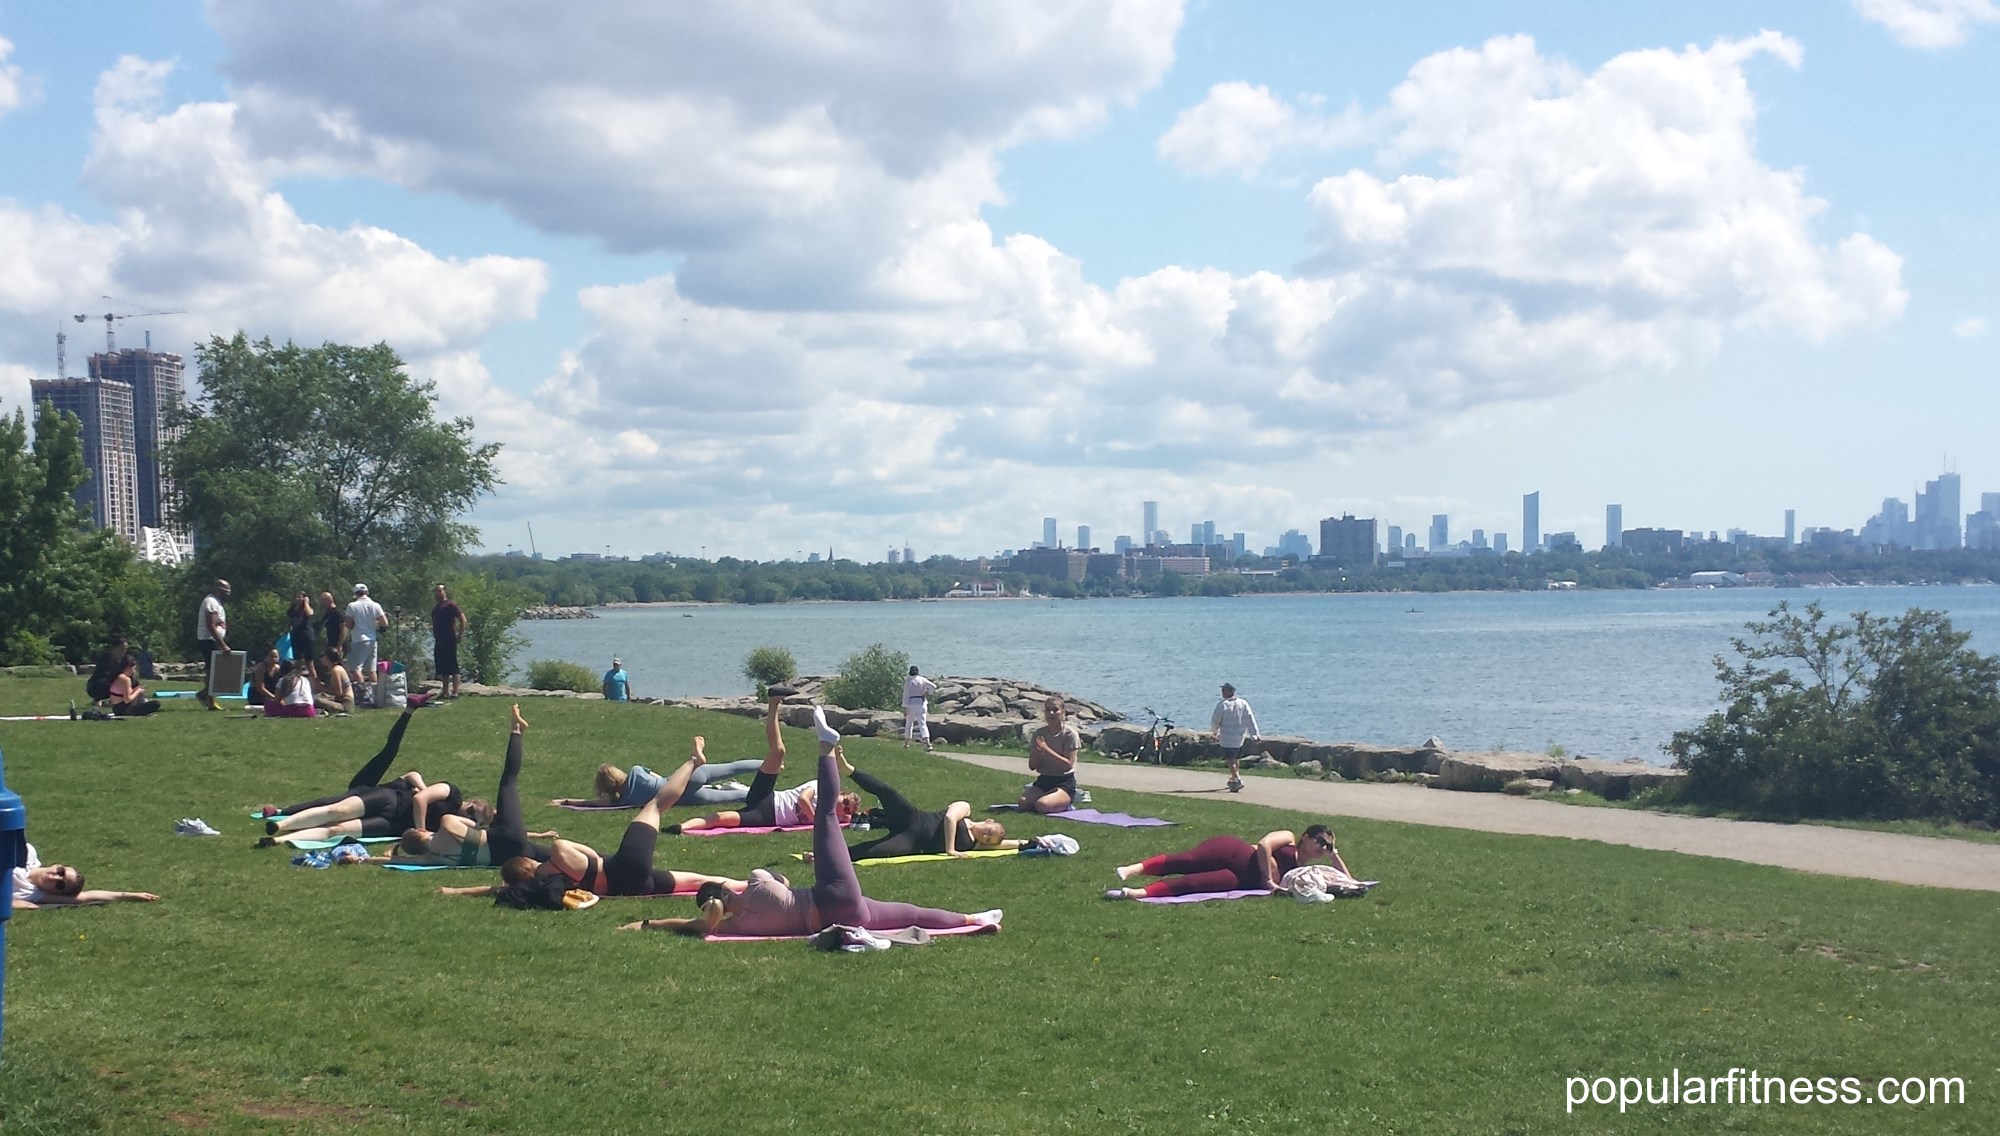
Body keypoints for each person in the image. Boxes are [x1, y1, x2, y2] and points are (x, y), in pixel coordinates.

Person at [619, 707, 1000, 937]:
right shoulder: (754, 885)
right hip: (833, 895)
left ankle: (974, 918)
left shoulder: (733, 926)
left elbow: (688, 926)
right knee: (827, 817)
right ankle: (825, 748)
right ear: (722, 891)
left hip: (847, 914)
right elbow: (779, 880)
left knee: (911, 912)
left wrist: (649, 924)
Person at [448, 748, 741, 900]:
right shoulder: (559, 852)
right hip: (622, 865)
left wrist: (457, 891)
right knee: (656, 805)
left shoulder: (542, 886)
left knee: (696, 881)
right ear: (525, 863)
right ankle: (692, 762)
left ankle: (742, 887)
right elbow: (592, 855)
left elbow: (496, 890)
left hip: (629, 887)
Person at [257, 711, 478, 846]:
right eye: (471, 810)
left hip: (392, 824)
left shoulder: (453, 824)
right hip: (387, 798)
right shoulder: (453, 795)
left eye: (472, 817)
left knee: (337, 830)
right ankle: (282, 822)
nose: (466, 814)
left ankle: (278, 840)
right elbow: (420, 796)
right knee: (336, 809)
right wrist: (422, 828)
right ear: (470, 802)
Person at [672, 691, 858, 833]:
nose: (844, 806)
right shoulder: (821, 788)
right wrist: (817, 821)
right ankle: (774, 702)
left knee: (721, 818)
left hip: (766, 818)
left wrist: (845, 818)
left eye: (847, 808)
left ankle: (681, 827)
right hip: (769, 799)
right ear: (842, 793)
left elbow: (853, 821)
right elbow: (803, 799)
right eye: (846, 801)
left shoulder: (832, 816)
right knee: (778, 752)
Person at [397, 705, 559, 867]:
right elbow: (480, 830)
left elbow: (399, 860)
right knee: (508, 781)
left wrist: (379, 857)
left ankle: (583, 868)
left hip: (509, 856)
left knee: (554, 858)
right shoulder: (447, 822)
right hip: (505, 837)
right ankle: (516, 729)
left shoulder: (433, 859)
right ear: (420, 831)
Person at [834, 750, 1021, 861]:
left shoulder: (975, 846)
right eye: (989, 831)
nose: (985, 836)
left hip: (914, 842)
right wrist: (950, 850)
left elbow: (1005, 845)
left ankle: (823, 856)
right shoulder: (965, 808)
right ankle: (848, 769)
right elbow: (949, 818)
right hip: (914, 818)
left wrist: (1028, 843)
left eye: (988, 839)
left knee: (871, 851)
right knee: (887, 791)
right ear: (989, 820)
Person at [1103, 826, 1350, 899]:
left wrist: (1335, 854)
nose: (1323, 848)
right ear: (1306, 837)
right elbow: (1264, 844)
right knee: (1188, 861)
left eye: (1327, 845)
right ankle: (1135, 869)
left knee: (1194, 883)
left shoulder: (1309, 870)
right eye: (1320, 842)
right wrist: (1268, 879)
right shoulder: (1287, 838)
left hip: (1242, 880)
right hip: (1236, 853)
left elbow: (1345, 880)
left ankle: (1137, 893)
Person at [549, 746, 766, 810]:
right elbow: (656, 775)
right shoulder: (636, 771)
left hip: (681, 798)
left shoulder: (623, 800)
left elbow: (593, 804)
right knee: (732, 767)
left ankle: (771, 795)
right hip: (687, 777)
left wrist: (566, 801)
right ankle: (771, 764)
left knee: (736, 798)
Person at [11, 844, 159, 909]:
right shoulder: (28, 853)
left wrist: (129, 895)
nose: (54, 877)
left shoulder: (34, 895)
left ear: (54, 893)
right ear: (57, 865)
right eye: (60, 872)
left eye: (60, 885)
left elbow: (86, 897)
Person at [1017, 696, 1082, 814]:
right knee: (1023, 803)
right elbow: (1032, 766)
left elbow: (1067, 765)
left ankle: (1064, 802)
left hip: (1064, 782)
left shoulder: (1070, 735)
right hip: (1045, 779)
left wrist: (1047, 750)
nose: (1051, 713)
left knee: (1042, 805)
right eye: (1048, 710)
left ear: (1063, 712)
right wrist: (1037, 752)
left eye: (1055, 710)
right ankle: (1050, 799)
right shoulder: (1039, 734)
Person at [1210, 682, 1262, 793]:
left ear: (1230, 691)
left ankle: (1237, 779)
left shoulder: (1222, 705)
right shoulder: (1243, 703)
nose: (1222, 692)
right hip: (1239, 736)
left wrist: (1214, 732)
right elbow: (1250, 719)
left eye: (1224, 690)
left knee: (1230, 760)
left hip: (1227, 737)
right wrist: (1254, 735)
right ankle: (1233, 778)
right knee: (1236, 758)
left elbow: (1215, 720)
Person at [345, 584, 388, 703]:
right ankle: (377, 695)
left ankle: (364, 694)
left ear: (356, 594)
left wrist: (354, 625)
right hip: (372, 639)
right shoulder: (375, 605)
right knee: (372, 669)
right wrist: (376, 627)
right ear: (367, 592)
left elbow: (348, 624)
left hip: (359, 639)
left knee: (355, 668)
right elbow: (385, 622)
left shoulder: (352, 606)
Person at [194, 578, 231, 711]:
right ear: (219, 590)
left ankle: (206, 695)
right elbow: (211, 625)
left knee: (215, 671)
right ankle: (209, 699)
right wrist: (222, 644)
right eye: (227, 591)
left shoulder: (217, 603)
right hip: (209, 640)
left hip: (213, 641)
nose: (228, 594)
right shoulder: (211, 602)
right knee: (212, 671)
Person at [431, 582, 467, 698]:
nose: (437, 593)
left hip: (449, 639)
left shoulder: (451, 605)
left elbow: (462, 619)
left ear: (444, 592)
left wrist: (460, 635)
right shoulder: (437, 608)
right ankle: (445, 692)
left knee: (453, 666)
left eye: (440, 591)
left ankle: (455, 692)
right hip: (439, 640)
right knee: (442, 668)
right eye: (436, 591)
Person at [84, 634, 130, 706]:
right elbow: (102, 675)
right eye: (121, 649)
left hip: (114, 683)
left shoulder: (125, 660)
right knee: (109, 682)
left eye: (125, 649)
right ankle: (98, 699)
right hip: (95, 686)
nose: (123, 652)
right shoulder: (104, 659)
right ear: (114, 648)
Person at [901, 665, 938, 751]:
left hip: (911, 703)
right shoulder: (922, 679)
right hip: (921, 703)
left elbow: (906, 695)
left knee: (909, 724)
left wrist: (905, 707)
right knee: (922, 724)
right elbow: (933, 686)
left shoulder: (908, 681)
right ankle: (928, 744)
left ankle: (906, 743)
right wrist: (926, 693)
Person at [315, 650, 356, 715]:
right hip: (341, 701)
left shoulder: (336, 670)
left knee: (317, 700)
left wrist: (322, 687)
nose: (322, 659)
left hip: (345, 704)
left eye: (323, 657)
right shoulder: (337, 668)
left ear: (328, 658)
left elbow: (338, 693)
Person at [287, 591, 317, 664]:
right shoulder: (292, 609)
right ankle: (298, 674)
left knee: (309, 663)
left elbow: (310, 613)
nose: (297, 599)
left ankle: (313, 675)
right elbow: (289, 620)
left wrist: (306, 603)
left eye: (299, 597)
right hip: (296, 637)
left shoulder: (307, 608)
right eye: (296, 597)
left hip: (306, 637)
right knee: (297, 661)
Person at [319, 591, 344, 661]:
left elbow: (344, 628)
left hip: (337, 644)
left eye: (322, 602)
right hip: (330, 643)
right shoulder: (327, 614)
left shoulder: (337, 612)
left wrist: (339, 645)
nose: (321, 604)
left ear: (328, 601)